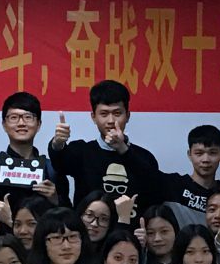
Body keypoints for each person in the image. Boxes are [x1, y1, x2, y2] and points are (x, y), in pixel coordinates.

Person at [47, 80, 161, 208]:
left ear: (128, 116)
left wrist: (123, 149)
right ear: (93, 117)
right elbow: (60, 164)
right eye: (104, 114)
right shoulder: (82, 152)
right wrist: (58, 143)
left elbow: (155, 189)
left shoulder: (144, 157)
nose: (111, 120)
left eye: (117, 113)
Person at [151, 124, 220, 227]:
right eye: (199, 153)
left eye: (212, 153)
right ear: (189, 154)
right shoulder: (170, 185)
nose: (205, 159)